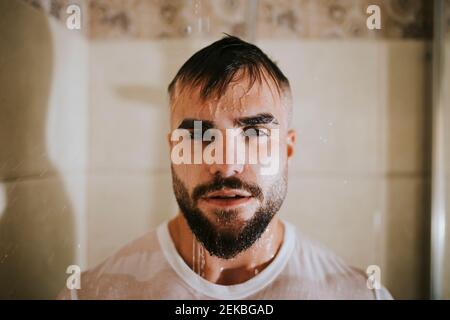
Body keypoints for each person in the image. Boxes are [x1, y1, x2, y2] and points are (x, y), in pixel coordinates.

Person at [58, 35, 392, 300]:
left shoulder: (357, 295)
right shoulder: (93, 294)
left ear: (287, 148)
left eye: (254, 133)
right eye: (200, 135)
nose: (225, 164)